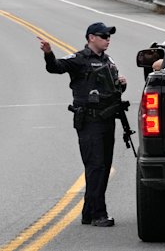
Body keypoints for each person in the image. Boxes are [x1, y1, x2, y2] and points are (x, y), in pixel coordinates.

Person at [39, 22, 127, 227]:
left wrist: (121, 83)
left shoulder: (109, 61)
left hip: (107, 120)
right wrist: (48, 53)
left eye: (109, 36)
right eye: (103, 36)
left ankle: (88, 212)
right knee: (95, 166)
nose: (107, 39)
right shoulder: (79, 59)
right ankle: (98, 214)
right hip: (89, 122)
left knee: (103, 167)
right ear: (91, 38)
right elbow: (55, 67)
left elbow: (113, 89)